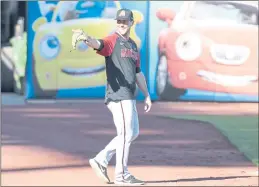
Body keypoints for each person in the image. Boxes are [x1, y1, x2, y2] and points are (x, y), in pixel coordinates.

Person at [72, 8, 152, 185]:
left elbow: (138, 73)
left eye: (125, 21)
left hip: (129, 95)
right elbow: (98, 43)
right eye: (119, 21)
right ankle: (121, 176)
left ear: (132, 23)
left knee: (133, 133)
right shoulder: (112, 40)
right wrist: (86, 38)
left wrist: (147, 95)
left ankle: (101, 159)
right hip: (118, 94)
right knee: (125, 133)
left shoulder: (132, 45)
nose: (122, 24)